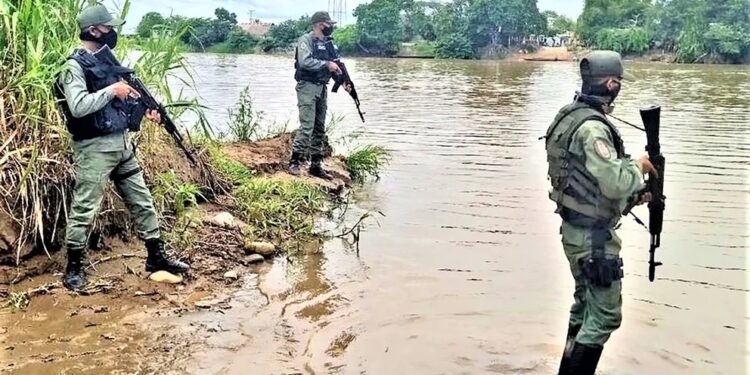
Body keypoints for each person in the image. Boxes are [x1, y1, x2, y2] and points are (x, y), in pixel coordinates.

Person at [56, 4, 189, 291]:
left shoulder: (108, 61)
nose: (112, 32)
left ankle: (156, 257)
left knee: (142, 201)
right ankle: (74, 266)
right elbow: (78, 107)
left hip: (121, 145)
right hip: (94, 149)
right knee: (84, 208)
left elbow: (116, 106)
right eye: (107, 27)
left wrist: (141, 108)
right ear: (93, 30)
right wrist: (112, 90)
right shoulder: (73, 66)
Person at [544, 51, 656, 374]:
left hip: (576, 231)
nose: (618, 87)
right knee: (605, 315)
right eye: (617, 82)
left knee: (583, 308)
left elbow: (585, 183)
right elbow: (613, 179)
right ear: (610, 83)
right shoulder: (592, 128)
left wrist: (635, 197)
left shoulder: (569, 115)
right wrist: (638, 166)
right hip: (592, 241)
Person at [288, 11, 350, 179]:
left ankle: (316, 165)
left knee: (319, 128)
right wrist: (326, 64)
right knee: (307, 126)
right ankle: (294, 161)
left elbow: (336, 65)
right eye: (329, 24)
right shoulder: (306, 40)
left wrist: (344, 81)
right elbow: (305, 62)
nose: (331, 27)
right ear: (320, 24)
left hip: (322, 87)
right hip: (307, 87)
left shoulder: (329, 44)